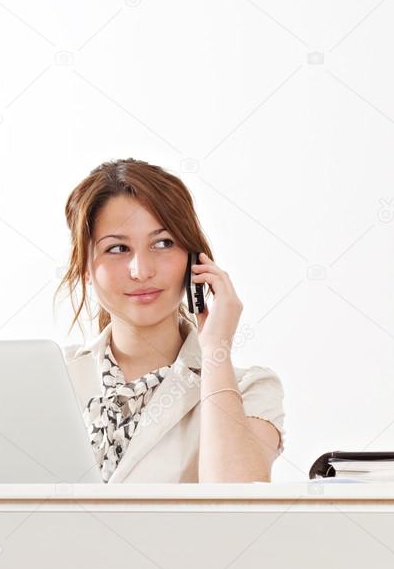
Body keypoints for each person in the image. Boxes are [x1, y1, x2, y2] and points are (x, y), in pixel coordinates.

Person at [54, 158, 285, 483]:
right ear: (85, 270)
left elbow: (237, 509)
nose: (141, 270)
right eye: (117, 248)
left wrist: (216, 350)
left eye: (163, 243)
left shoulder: (250, 389)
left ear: (195, 261)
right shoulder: (54, 377)